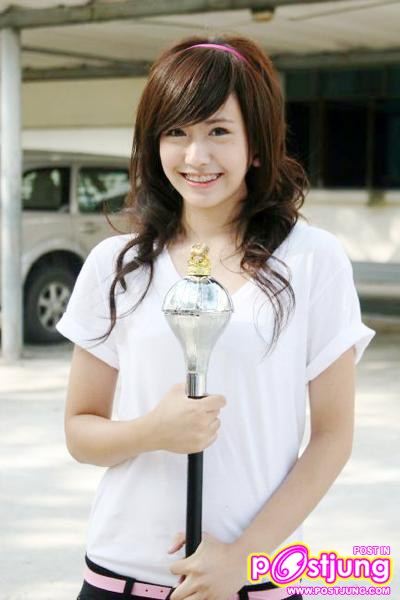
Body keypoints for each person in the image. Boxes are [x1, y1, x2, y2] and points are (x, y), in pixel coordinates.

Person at [56, 34, 376, 600]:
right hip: (120, 575)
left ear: (257, 145)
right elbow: (81, 432)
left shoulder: (311, 259)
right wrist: (153, 432)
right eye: (176, 132)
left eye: (218, 132)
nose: (195, 156)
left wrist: (242, 557)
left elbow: (332, 438)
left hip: (249, 582)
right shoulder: (117, 264)